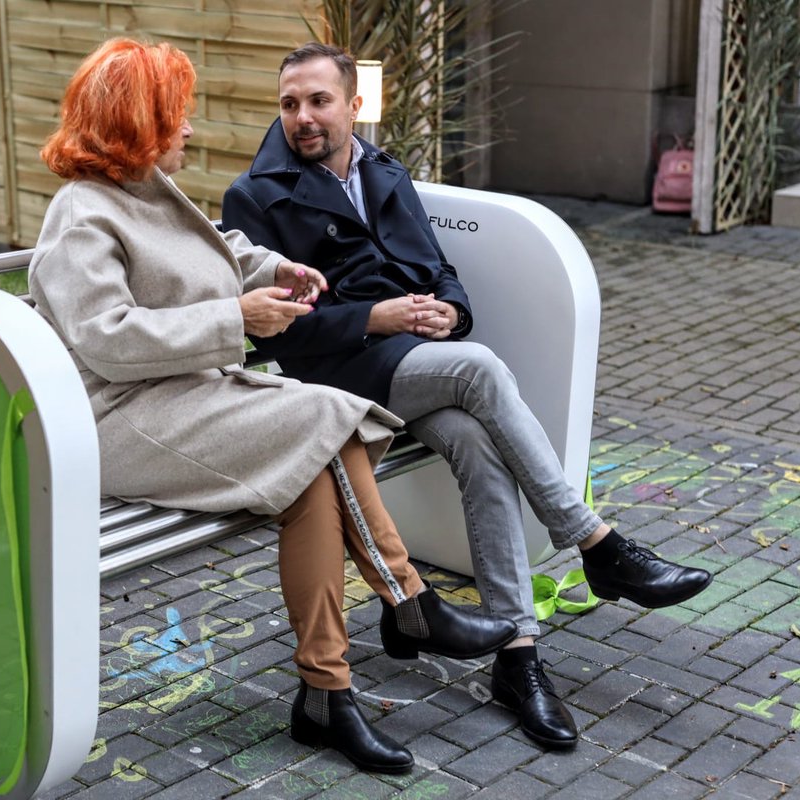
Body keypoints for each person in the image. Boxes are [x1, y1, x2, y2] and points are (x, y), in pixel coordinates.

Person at [28, 38, 519, 774]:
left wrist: (278, 267)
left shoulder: (144, 188)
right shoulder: (82, 214)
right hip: (120, 420)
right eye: (178, 117)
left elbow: (213, 252)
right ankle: (407, 598)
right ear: (139, 122)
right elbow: (107, 341)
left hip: (183, 397)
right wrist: (238, 321)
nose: (190, 131)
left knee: (315, 479)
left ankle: (327, 695)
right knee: (322, 414)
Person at [221, 41, 713, 751]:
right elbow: (279, 341)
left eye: (319, 100)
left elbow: (439, 270)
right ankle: (597, 543)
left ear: (354, 105)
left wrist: (451, 312)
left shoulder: (386, 170)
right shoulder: (255, 195)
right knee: (479, 370)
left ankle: (518, 656)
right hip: (332, 382)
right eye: (290, 102)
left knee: (479, 441)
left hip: (411, 361)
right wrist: (379, 317)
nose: (303, 116)